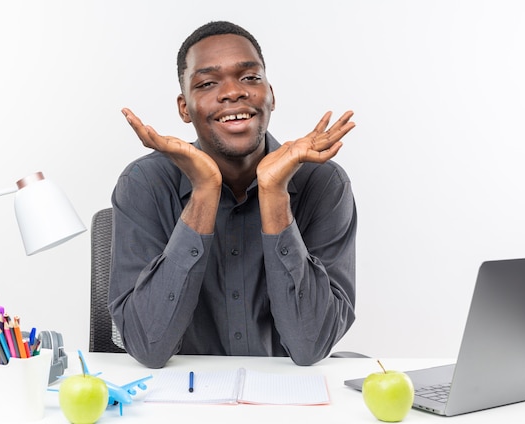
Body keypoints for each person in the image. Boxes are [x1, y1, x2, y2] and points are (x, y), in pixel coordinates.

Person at [109, 20, 357, 369]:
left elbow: (310, 345)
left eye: (250, 78)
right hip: (182, 400)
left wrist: (274, 193)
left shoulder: (324, 183)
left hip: (289, 400)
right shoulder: (144, 183)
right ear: (184, 107)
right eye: (208, 83)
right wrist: (204, 192)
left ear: (271, 94)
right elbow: (148, 346)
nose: (233, 92)